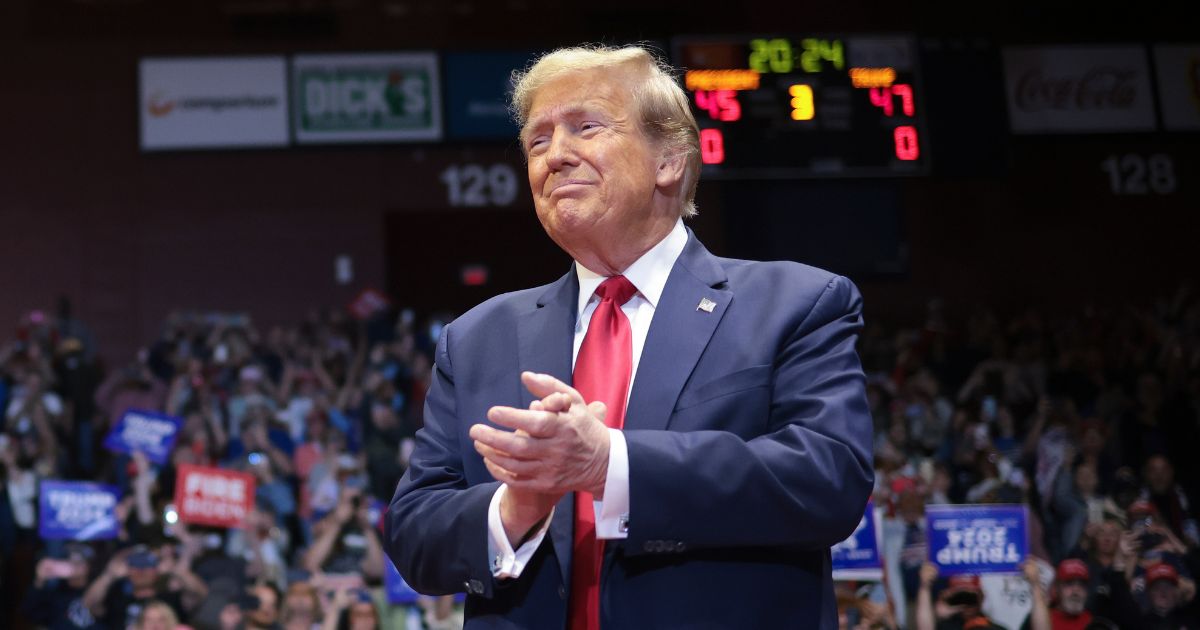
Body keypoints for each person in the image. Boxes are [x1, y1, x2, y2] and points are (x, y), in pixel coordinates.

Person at [385, 45, 873, 628]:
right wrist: (515, 508)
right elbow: (413, 532)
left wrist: (610, 464)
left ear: (669, 158)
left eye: (585, 128)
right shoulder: (475, 339)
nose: (555, 156)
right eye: (537, 141)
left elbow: (828, 478)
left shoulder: (796, 304)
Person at [915, 563, 1004, 630]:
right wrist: (925, 587)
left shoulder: (994, 627)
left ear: (981, 596)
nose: (965, 604)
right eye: (960, 597)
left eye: (970, 597)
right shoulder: (947, 626)